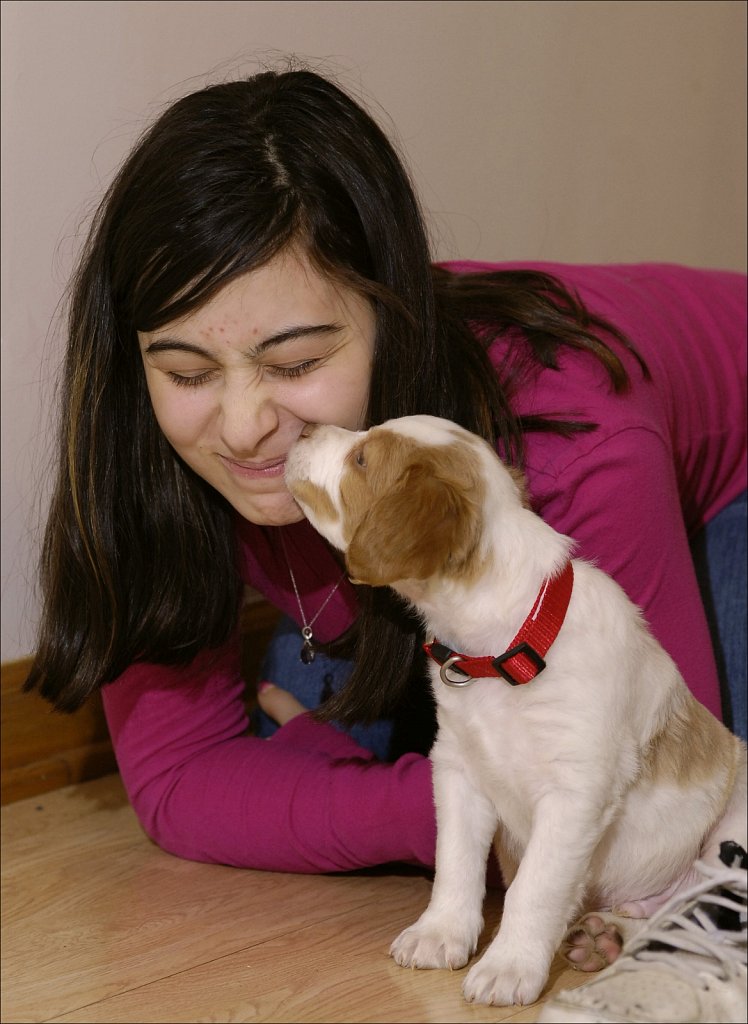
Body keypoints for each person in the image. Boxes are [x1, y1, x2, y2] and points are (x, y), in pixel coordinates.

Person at [26, 67, 745, 1018]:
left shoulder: (572, 445)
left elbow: (633, 786)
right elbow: (176, 787)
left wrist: (473, 791)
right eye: (187, 369)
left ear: (395, 314)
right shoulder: (161, 457)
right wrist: (457, 790)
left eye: (296, 363)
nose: (244, 430)